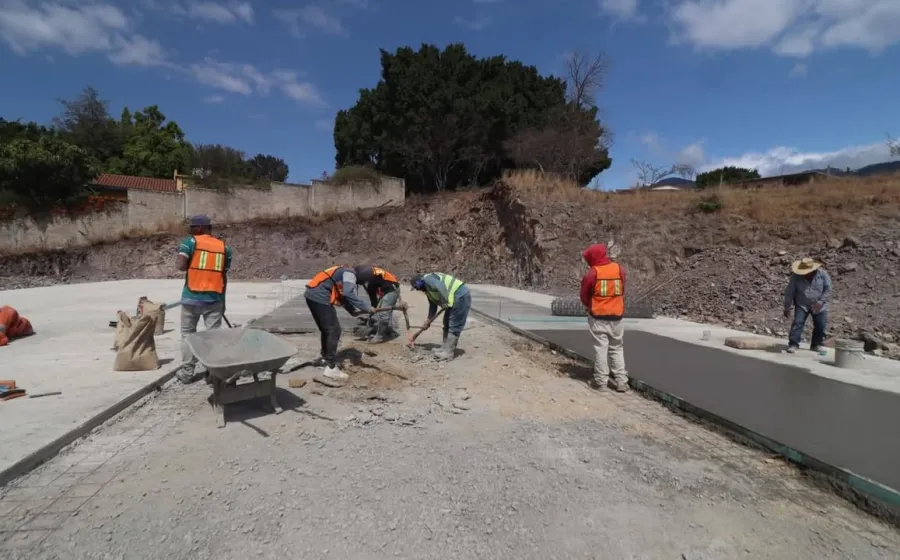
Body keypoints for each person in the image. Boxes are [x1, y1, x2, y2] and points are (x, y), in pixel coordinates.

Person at [175, 214, 232, 384]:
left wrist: (185, 256)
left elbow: (180, 266)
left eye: (192, 227)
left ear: (199, 228)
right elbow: (224, 276)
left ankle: (187, 373)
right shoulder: (224, 248)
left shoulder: (190, 242)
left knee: (187, 335)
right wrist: (223, 302)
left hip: (191, 298)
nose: (190, 230)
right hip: (214, 299)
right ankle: (212, 374)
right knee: (212, 336)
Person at [305, 265, 373, 380]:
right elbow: (348, 293)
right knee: (334, 331)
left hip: (311, 295)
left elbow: (341, 294)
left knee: (326, 330)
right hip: (320, 297)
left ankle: (325, 358)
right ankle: (331, 368)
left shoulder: (342, 272)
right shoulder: (350, 274)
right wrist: (366, 307)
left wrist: (351, 310)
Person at [579, 243, 629, 393]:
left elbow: (584, 295)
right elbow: (622, 289)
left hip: (598, 316)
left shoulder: (593, 273)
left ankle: (601, 382)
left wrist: (589, 305)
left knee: (601, 348)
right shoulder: (619, 269)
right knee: (617, 348)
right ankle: (621, 381)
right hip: (617, 316)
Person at [409, 272, 471, 360]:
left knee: (454, 325)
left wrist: (444, 301)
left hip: (460, 296)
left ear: (420, 283)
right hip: (452, 299)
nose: (417, 289)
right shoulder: (428, 291)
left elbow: (440, 286)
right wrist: (428, 320)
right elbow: (433, 307)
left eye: (416, 287)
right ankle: (444, 348)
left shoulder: (428, 279)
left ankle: (448, 353)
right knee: (446, 323)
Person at [783, 257, 832, 353]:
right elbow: (790, 292)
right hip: (802, 304)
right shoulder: (796, 277)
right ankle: (793, 344)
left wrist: (820, 302)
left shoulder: (822, 275)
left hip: (819, 305)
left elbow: (828, 289)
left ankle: (816, 344)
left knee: (820, 325)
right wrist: (787, 307)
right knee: (798, 323)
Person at [354, 265, 402, 343]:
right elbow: (374, 301)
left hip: (392, 289)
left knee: (384, 314)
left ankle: (380, 336)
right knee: (380, 313)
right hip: (387, 290)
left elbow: (373, 297)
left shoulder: (370, 274)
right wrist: (371, 311)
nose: (359, 284)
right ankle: (388, 331)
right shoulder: (371, 279)